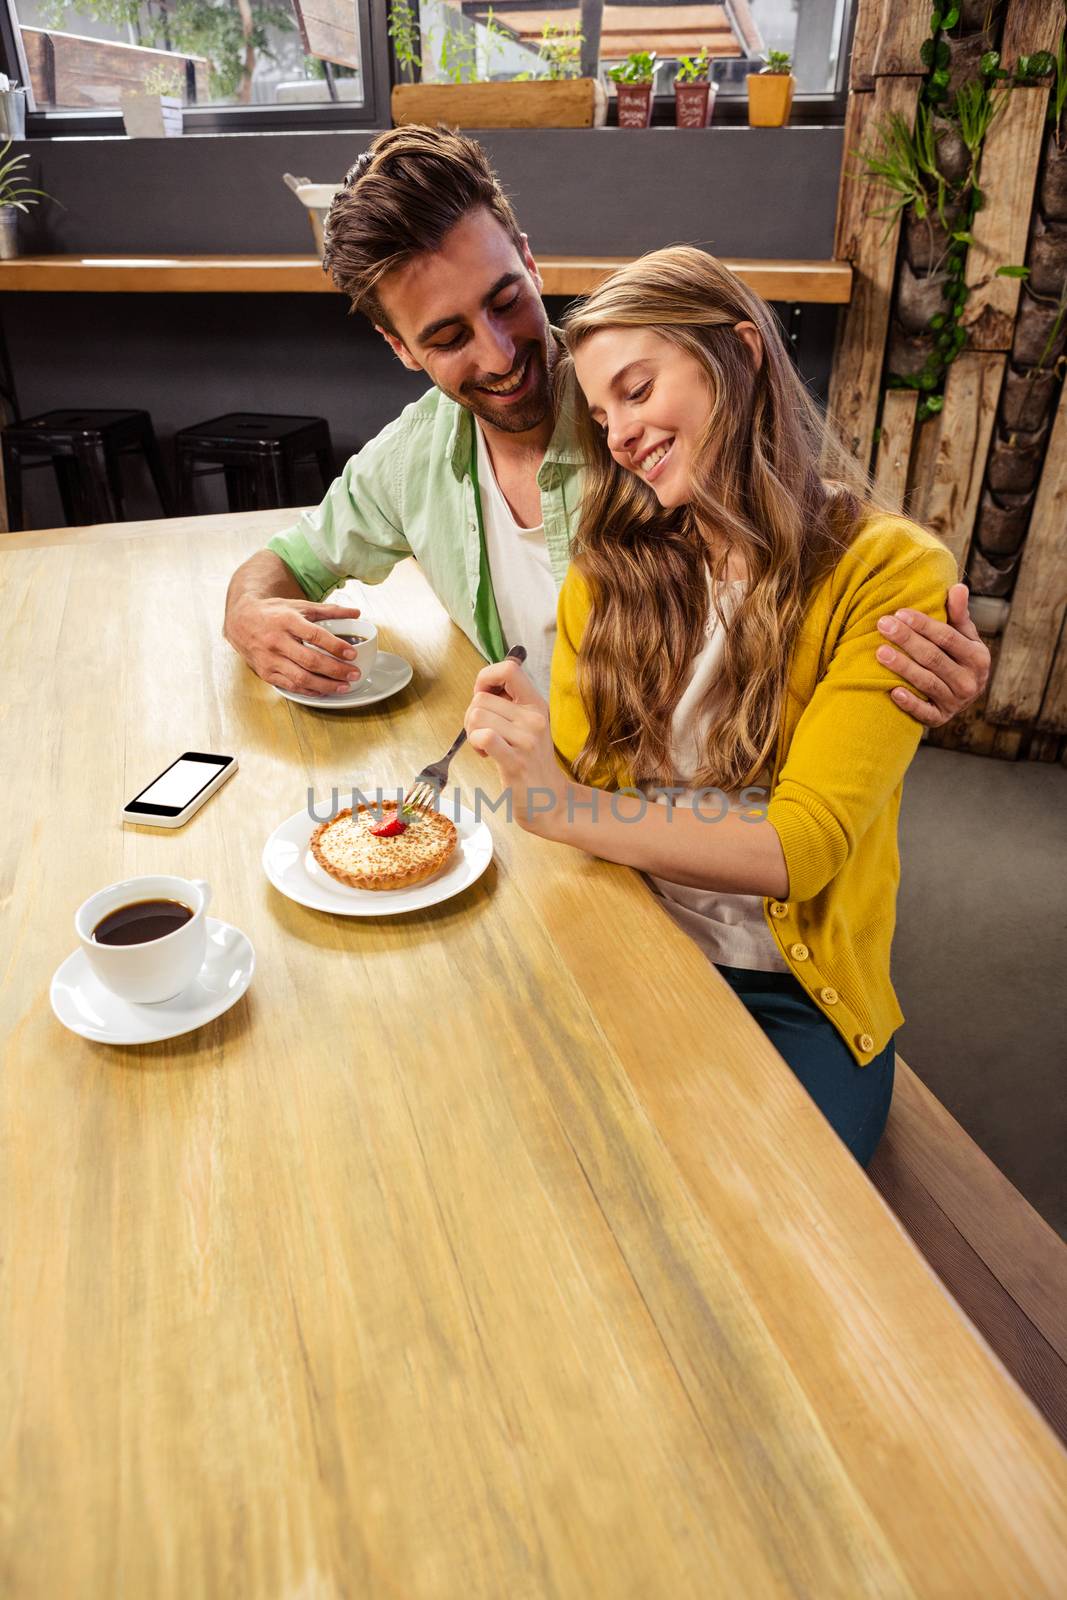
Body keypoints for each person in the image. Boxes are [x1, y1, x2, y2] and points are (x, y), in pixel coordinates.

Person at [223, 124, 989, 729]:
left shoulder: (648, 426)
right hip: (552, 798)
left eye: (503, 300)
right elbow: (290, 561)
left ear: (530, 261)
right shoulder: (408, 459)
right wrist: (248, 616)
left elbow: (807, 534)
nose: (498, 354)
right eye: (448, 337)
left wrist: (916, 653)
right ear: (401, 349)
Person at [463, 248, 961, 1167]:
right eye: (603, 414)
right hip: (627, 935)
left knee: (771, 1219)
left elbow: (799, 849)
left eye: (638, 389)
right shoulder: (610, 571)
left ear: (739, 352)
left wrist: (565, 806)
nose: (618, 433)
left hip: (795, 996)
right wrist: (532, 750)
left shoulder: (889, 571)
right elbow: (571, 779)